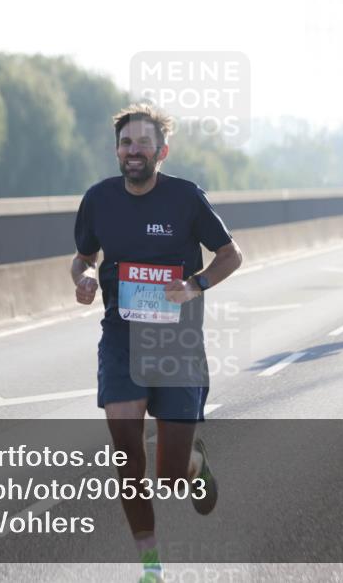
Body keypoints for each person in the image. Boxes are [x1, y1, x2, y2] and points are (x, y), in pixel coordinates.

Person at [71, 103, 243, 583]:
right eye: (126, 143)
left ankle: (194, 463)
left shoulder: (186, 198)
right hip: (121, 339)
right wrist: (83, 279)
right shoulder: (98, 199)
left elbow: (231, 255)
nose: (133, 151)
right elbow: (83, 257)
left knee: (167, 475)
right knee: (127, 459)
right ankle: (151, 567)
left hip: (176, 342)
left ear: (161, 152)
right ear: (117, 150)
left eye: (143, 143)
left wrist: (196, 285)